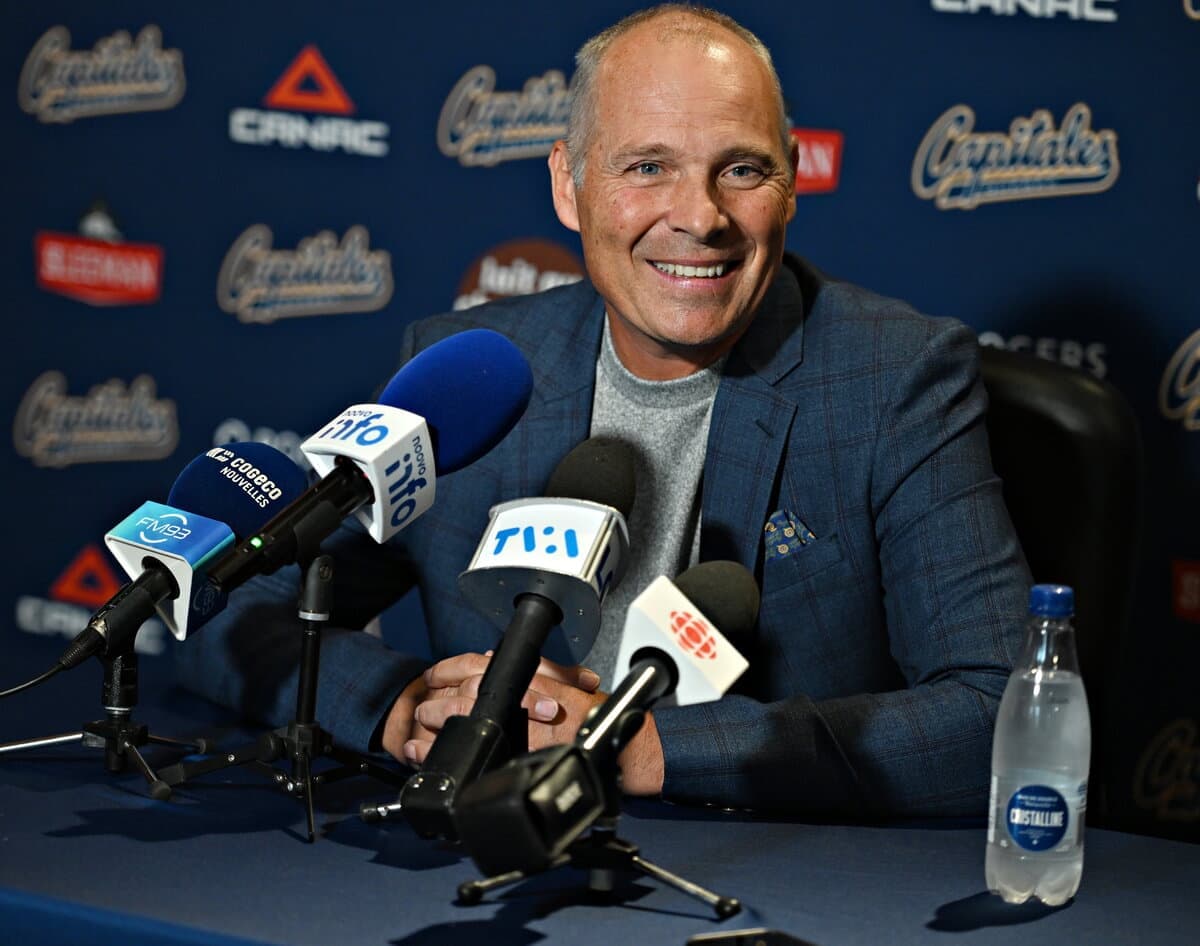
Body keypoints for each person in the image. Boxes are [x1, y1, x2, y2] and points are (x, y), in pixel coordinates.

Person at [176, 4, 1029, 816]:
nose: (699, 217)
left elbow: (1002, 711)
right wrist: (401, 706)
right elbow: (219, 602)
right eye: (647, 167)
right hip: (476, 845)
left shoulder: (892, 377)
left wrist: (637, 747)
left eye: (741, 169)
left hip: (760, 865)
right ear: (568, 183)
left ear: (791, 182)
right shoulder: (470, 376)